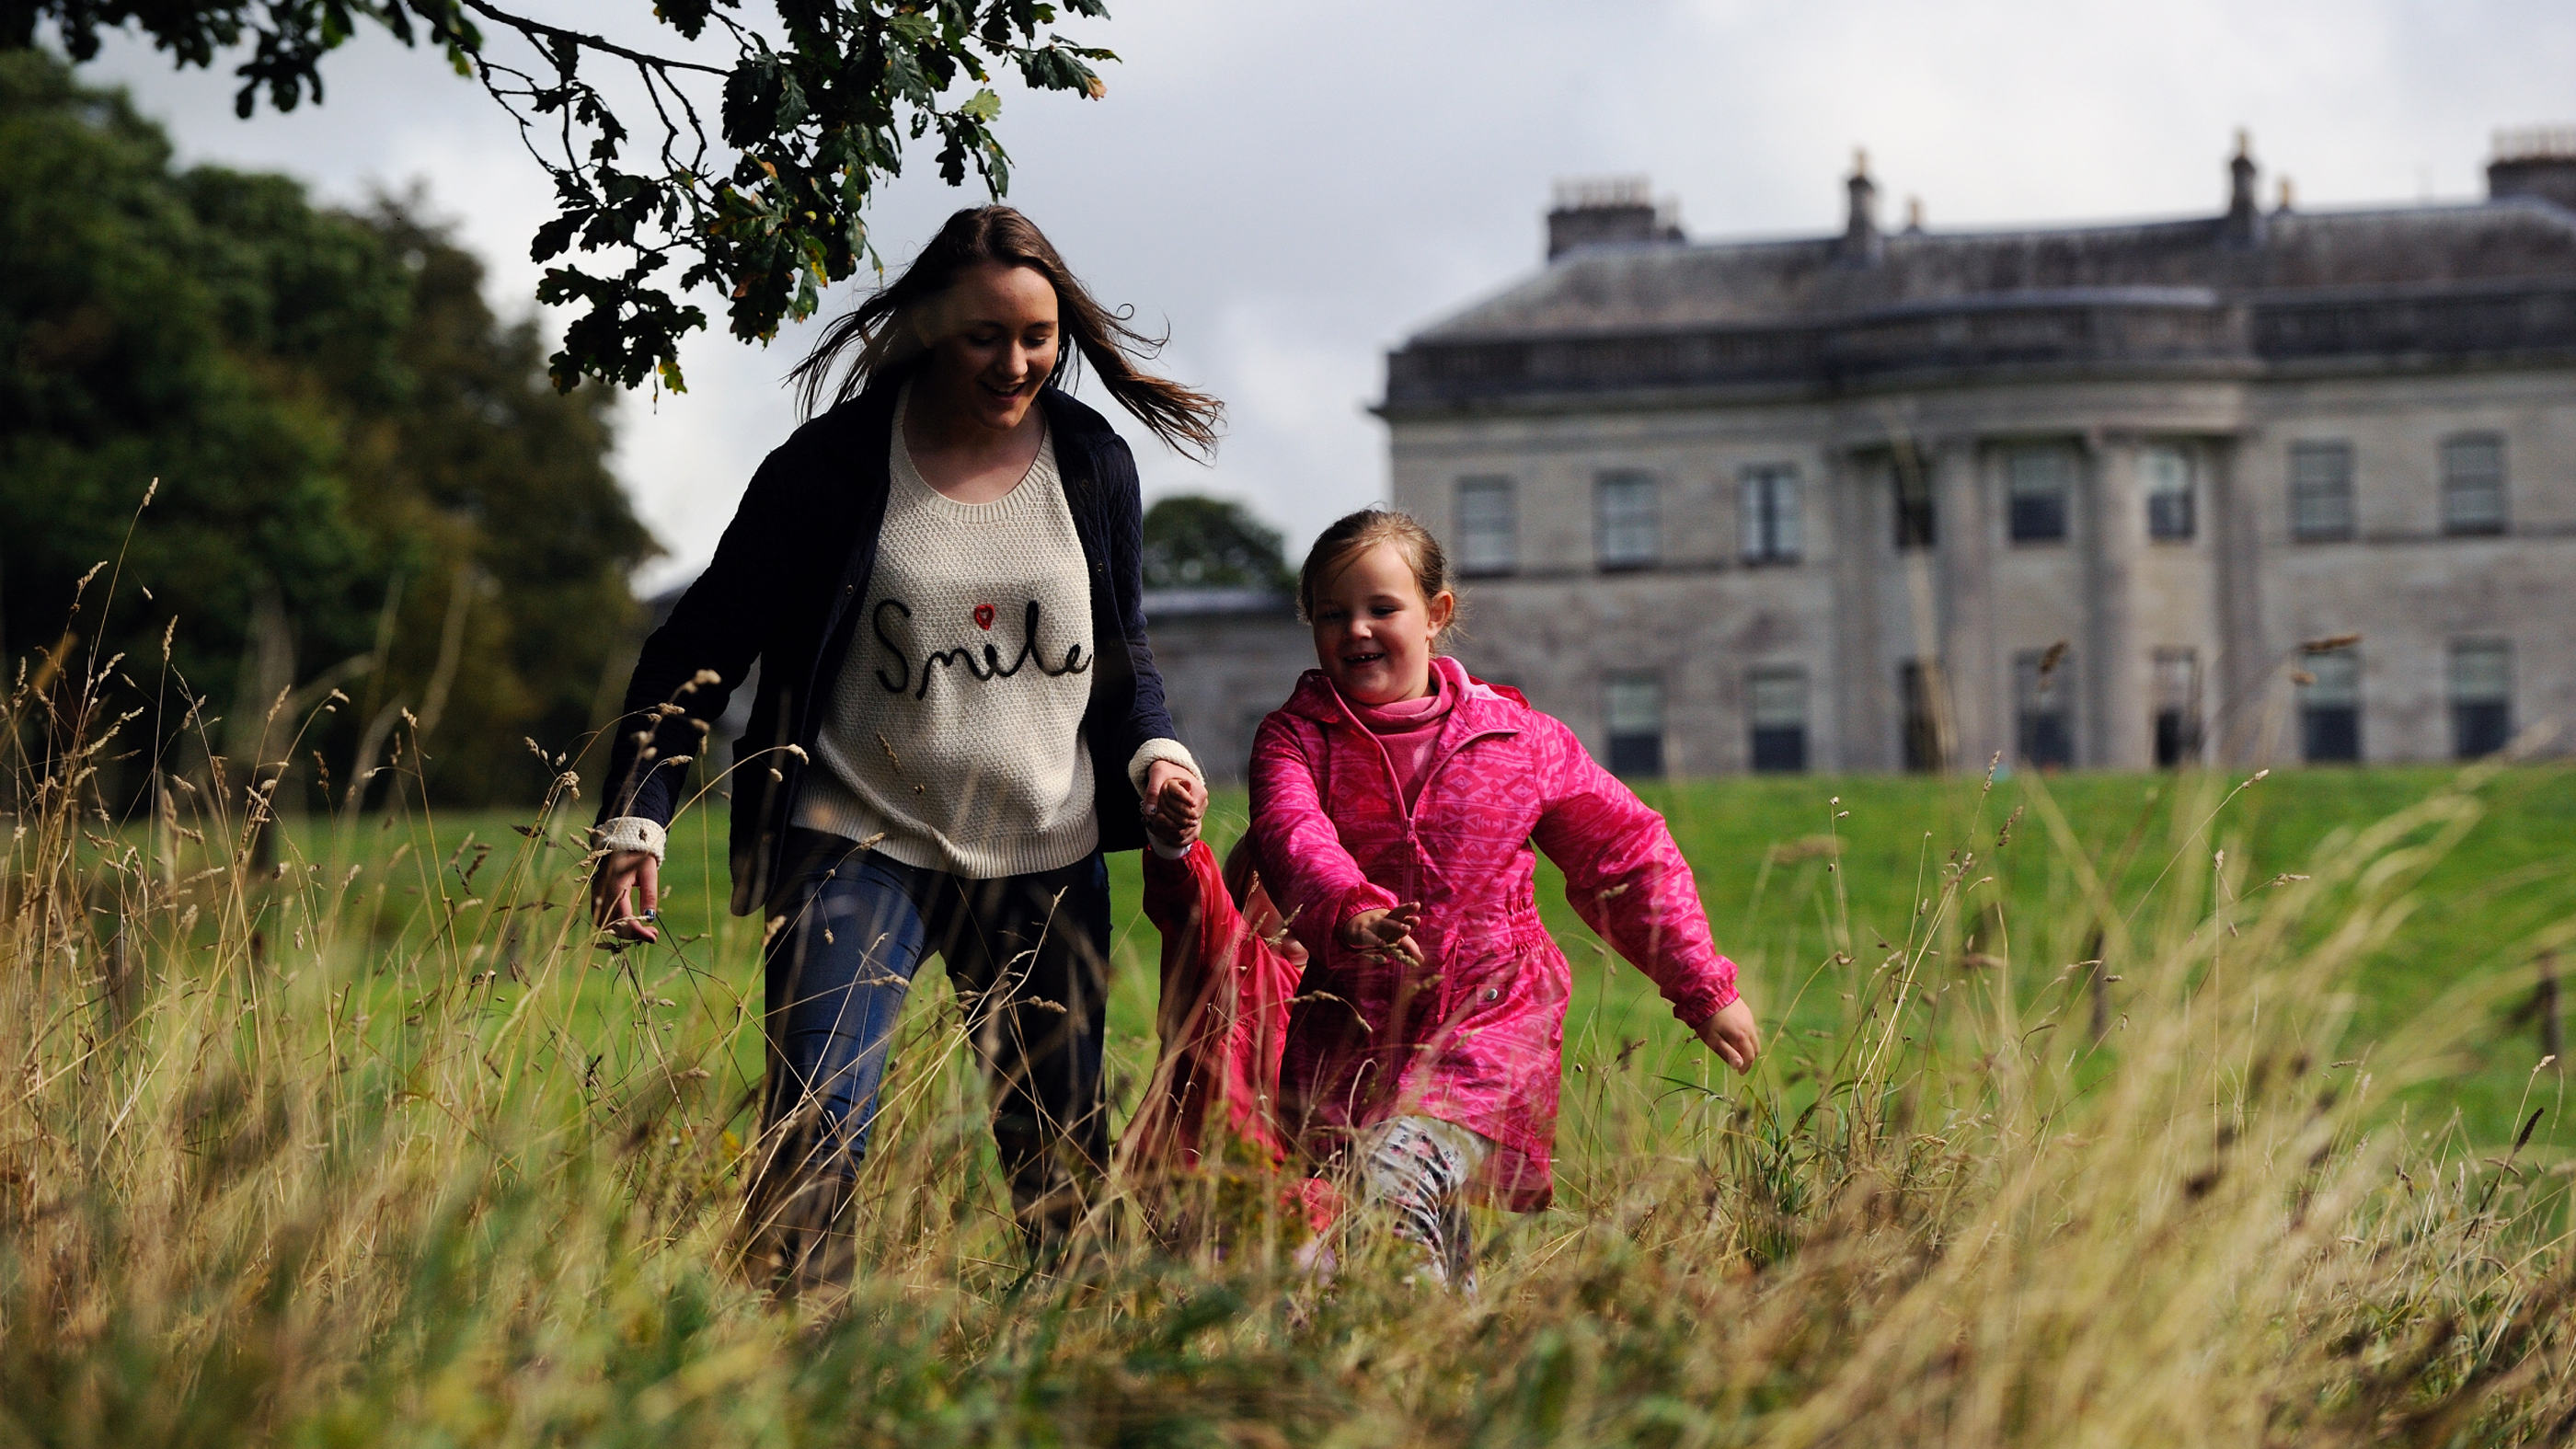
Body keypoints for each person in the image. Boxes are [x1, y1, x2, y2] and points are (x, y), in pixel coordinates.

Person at [587, 206, 1217, 1284]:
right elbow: (699, 647)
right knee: (814, 1124)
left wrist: (1157, 757)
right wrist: (637, 810)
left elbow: (1122, 654)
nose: (1016, 363)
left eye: (1038, 336)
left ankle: (1078, 1377)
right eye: (985, 336)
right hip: (854, 842)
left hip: (1043, 856)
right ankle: (788, 1360)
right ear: (928, 327)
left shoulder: (1092, 462)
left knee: (1057, 1154)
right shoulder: (827, 471)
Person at [1248, 509, 1761, 1291]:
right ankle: (1453, 1370)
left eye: (1382, 608)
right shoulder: (1295, 740)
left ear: (1436, 613)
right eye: (1331, 613)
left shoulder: (1520, 741)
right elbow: (1292, 832)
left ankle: (1407, 1358)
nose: (1357, 628)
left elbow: (1624, 857)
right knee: (1370, 1217)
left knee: (1398, 1176)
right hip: (1349, 1035)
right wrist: (1350, 907)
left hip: (1491, 1021)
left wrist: (1703, 986)